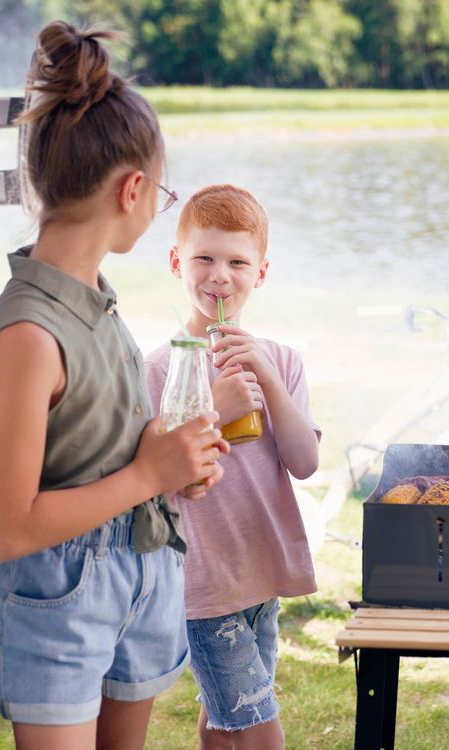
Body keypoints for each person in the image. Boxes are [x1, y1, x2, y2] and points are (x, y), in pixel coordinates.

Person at [0, 22, 228, 749]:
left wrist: (166, 461)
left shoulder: (97, 303)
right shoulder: (31, 331)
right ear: (133, 189)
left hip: (140, 577)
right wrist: (149, 470)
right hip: (62, 600)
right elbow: (7, 527)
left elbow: (96, 450)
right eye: (163, 193)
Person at [145, 184, 321, 750]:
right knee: (257, 725)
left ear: (260, 273)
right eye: (204, 258)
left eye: (237, 262)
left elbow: (305, 462)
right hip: (203, 577)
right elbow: (157, 480)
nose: (220, 275)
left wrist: (266, 377)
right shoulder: (158, 370)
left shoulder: (285, 362)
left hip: (259, 570)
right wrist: (213, 411)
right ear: (177, 262)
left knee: (226, 725)